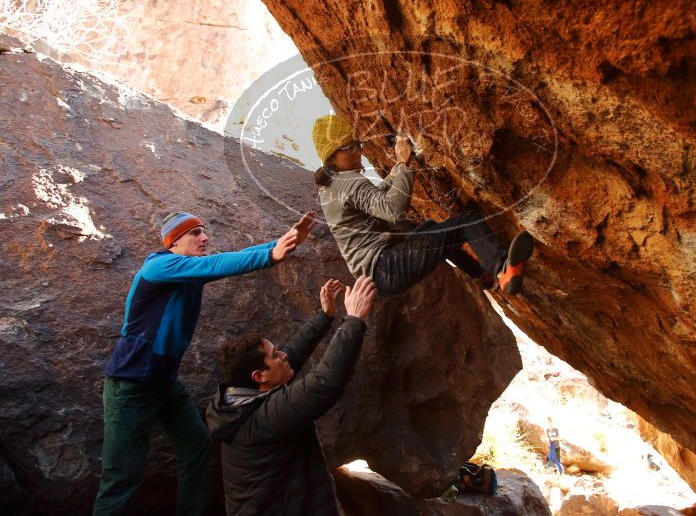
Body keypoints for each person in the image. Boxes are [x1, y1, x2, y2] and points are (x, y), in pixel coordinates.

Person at [93, 210, 315, 516]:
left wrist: (283, 242)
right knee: (121, 475)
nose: (205, 237)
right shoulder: (158, 266)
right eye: (195, 233)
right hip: (131, 384)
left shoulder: (187, 274)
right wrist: (270, 256)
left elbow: (230, 258)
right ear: (174, 241)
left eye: (203, 231)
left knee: (196, 446)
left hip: (163, 383)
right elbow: (216, 264)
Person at [311, 114, 537, 297]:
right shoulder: (347, 181)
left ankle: (483, 276)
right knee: (467, 221)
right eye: (350, 148)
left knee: (431, 230)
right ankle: (502, 270)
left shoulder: (330, 184)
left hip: (379, 275)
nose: (358, 151)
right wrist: (401, 163)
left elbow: (371, 200)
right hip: (386, 265)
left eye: (357, 145)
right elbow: (393, 211)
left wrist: (399, 169)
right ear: (331, 157)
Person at [206, 276, 377, 516]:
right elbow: (324, 383)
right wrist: (354, 320)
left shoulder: (238, 401)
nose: (283, 355)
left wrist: (325, 316)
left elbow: (291, 354)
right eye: (275, 355)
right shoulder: (262, 419)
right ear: (260, 376)